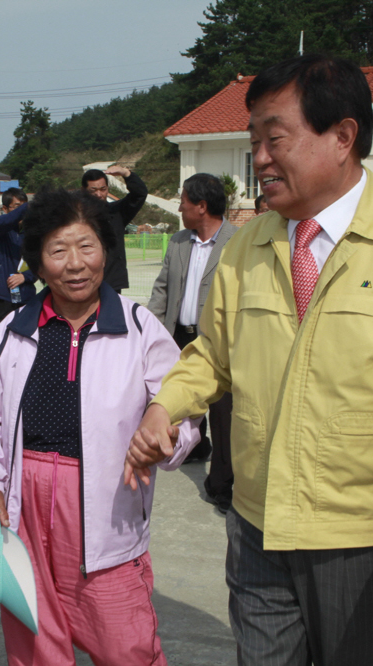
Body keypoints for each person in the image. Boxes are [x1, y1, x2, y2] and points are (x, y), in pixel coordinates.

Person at [125, 54, 373, 665]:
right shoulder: (248, 245)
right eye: (254, 142)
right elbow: (213, 354)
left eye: (275, 139)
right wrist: (168, 403)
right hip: (256, 526)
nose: (260, 159)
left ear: (342, 137)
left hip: (364, 538)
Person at [0, 188, 199, 666]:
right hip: (21, 511)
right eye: (58, 250)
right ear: (39, 262)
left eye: (86, 247)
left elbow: (181, 406)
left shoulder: (140, 328)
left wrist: (165, 439)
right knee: (33, 643)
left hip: (106, 508)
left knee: (125, 644)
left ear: (105, 251)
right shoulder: (12, 331)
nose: (74, 264)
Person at [147, 173, 237, 510]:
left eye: (184, 200)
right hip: (178, 337)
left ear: (201, 206)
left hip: (218, 342)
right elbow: (162, 289)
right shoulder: (178, 242)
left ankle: (223, 484)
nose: (180, 206)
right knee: (179, 399)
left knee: (223, 414)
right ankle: (197, 447)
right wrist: (150, 327)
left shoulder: (237, 242)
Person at [81, 165, 148, 292]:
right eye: (93, 190)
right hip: (84, 282)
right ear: (83, 190)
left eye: (103, 189)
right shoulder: (75, 217)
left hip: (112, 283)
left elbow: (139, 194)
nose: (99, 194)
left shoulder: (117, 212)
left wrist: (126, 173)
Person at [0, 187, 36, 328]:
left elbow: (40, 265)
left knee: (24, 343)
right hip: (1, 297)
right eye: (18, 206)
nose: (23, 212)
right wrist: (28, 206)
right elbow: (6, 221)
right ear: (5, 209)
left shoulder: (33, 234)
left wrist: (25, 276)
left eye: (25, 206)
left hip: (26, 297)